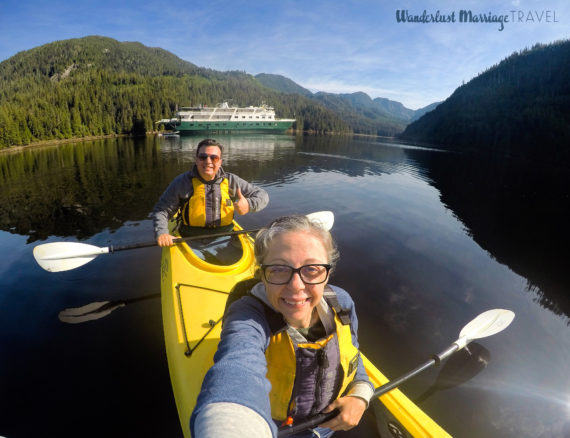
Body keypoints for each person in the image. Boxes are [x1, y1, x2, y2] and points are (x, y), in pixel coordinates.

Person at [190, 215, 374, 438]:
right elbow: (237, 368)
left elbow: (354, 354)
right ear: (263, 274)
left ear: (327, 274)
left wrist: (361, 394)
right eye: (278, 269)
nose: (296, 286)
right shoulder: (248, 318)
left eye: (312, 269)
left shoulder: (342, 304)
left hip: (327, 424)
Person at [152, 138, 269, 249]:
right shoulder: (182, 182)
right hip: (190, 240)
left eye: (214, 158)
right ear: (196, 160)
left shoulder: (231, 181)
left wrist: (249, 204)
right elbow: (162, 210)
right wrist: (162, 232)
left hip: (226, 238)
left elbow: (263, 195)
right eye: (203, 157)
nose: (208, 161)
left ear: (220, 162)